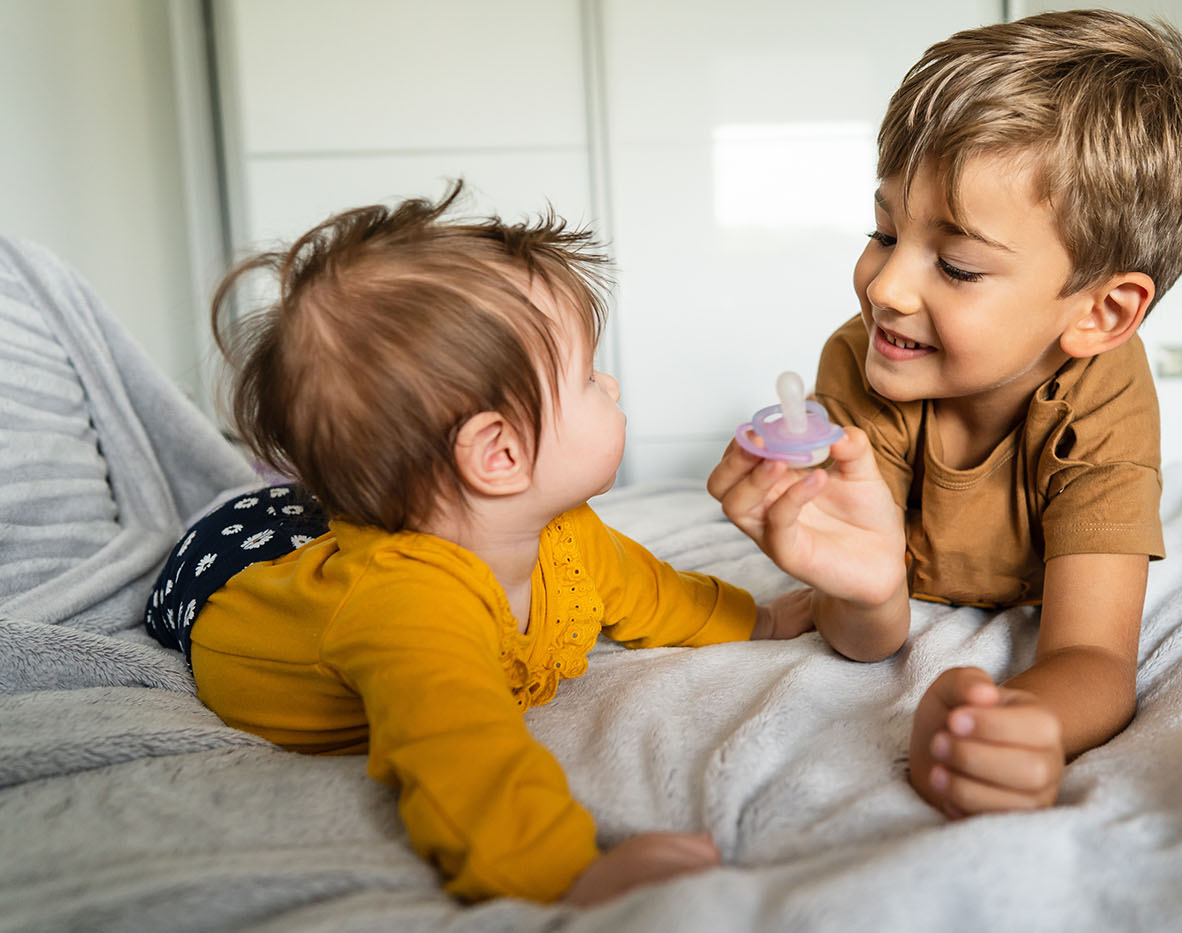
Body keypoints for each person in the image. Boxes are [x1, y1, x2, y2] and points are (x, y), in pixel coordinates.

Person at [143, 181, 812, 904]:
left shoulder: (563, 534)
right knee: (309, 537)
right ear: (497, 455)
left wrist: (763, 620)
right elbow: (466, 761)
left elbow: (651, 591)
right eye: (588, 377)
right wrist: (569, 872)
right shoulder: (408, 611)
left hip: (320, 523)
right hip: (229, 567)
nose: (611, 385)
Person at [708, 10, 1182, 819]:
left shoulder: (1105, 396)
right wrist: (862, 587)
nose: (886, 286)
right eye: (883, 231)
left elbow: (1092, 655)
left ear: (1101, 313)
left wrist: (1023, 722)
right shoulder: (861, 360)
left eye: (956, 266)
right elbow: (869, 634)